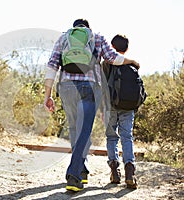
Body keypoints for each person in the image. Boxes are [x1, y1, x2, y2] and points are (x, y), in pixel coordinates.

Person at [44, 19, 140, 192]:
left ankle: (82, 171)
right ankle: (73, 176)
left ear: (75, 28)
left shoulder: (63, 38)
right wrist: (132, 61)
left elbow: (52, 66)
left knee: (75, 130)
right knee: (84, 131)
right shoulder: (96, 37)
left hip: (66, 88)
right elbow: (113, 58)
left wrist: (48, 95)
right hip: (89, 89)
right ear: (88, 28)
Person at [101, 34, 138, 189]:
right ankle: (130, 171)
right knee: (127, 137)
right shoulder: (132, 65)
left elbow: (102, 86)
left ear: (112, 47)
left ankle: (114, 171)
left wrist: (103, 108)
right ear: (127, 48)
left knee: (111, 138)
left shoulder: (106, 64)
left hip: (111, 107)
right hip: (128, 107)